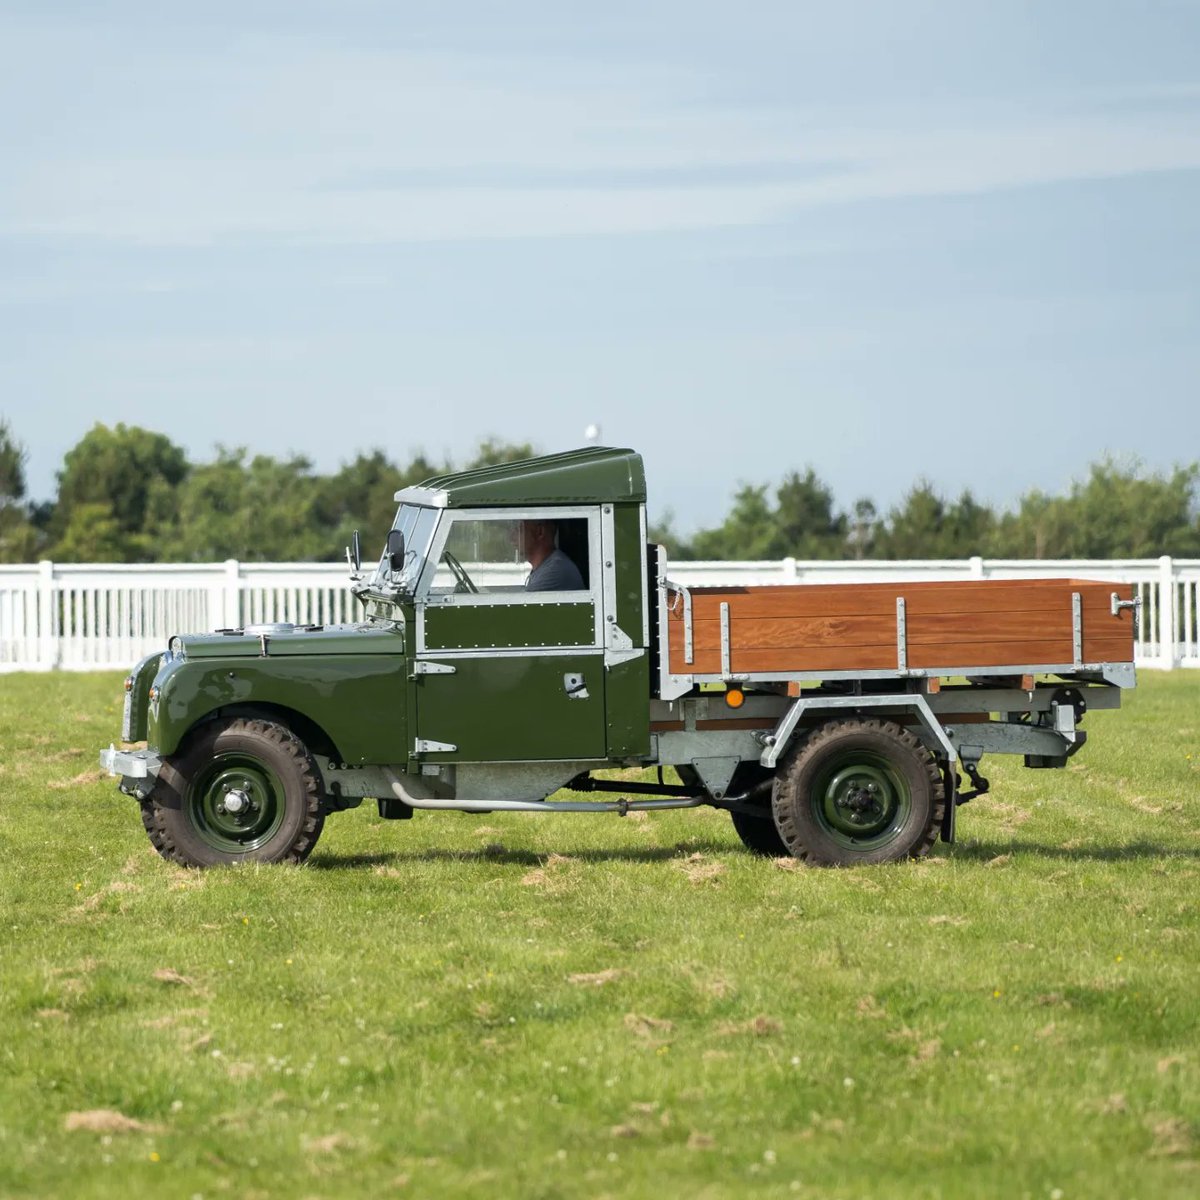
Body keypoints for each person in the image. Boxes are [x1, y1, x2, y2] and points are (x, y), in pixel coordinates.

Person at [515, 519, 584, 591]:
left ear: (540, 531)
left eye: (520, 530)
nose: (512, 538)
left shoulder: (555, 571)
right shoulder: (546, 567)